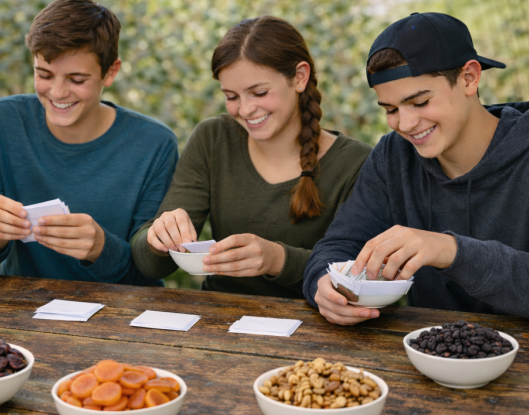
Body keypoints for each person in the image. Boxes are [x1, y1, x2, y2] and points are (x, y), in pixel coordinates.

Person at [303, 12, 529, 327]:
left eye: (419, 103)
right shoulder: (393, 156)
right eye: (391, 110)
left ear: (469, 78)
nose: (405, 125)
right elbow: (338, 247)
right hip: (424, 356)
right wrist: (323, 287)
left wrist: (453, 252)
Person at [131, 16, 371, 298]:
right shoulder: (214, 138)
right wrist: (156, 237)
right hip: (220, 320)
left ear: (300, 77)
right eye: (231, 96)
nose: (245, 110)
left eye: (258, 92)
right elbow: (150, 266)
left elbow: (363, 276)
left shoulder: (356, 163)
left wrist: (278, 259)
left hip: (316, 329)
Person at [0, 0, 177, 285]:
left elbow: (152, 269)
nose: (58, 92)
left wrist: (101, 248)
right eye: (44, 75)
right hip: (23, 309)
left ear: (110, 72)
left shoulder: (155, 145)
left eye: (76, 80)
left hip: (122, 314)